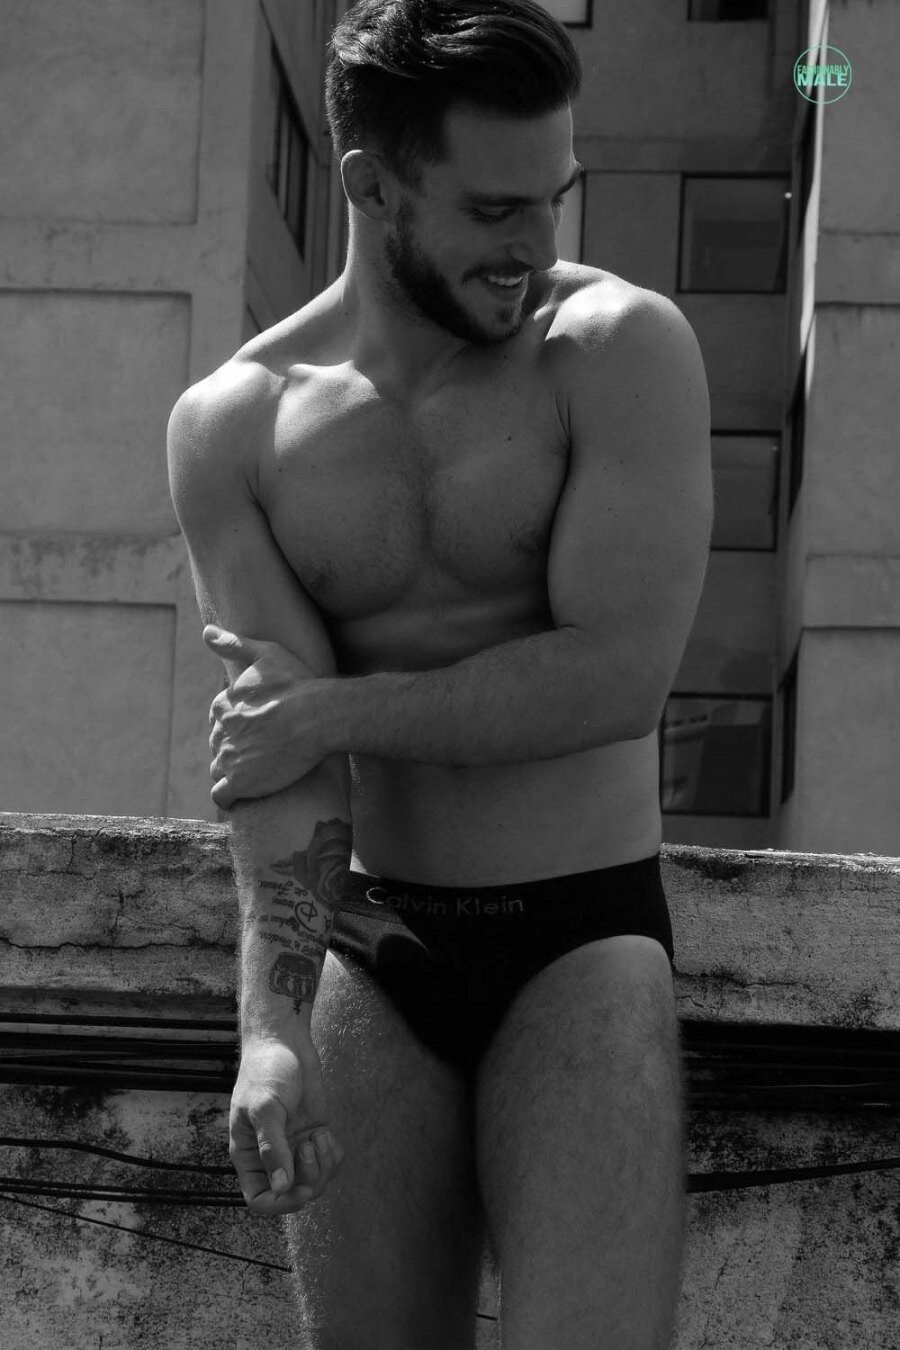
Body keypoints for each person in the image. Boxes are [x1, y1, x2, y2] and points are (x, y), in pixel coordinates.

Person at [166, 1, 713, 1345]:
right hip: (375, 942)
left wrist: (337, 710)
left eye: (553, 198)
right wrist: (272, 1029)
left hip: (582, 935)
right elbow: (279, 758)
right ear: (372, 187)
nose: (535, 244)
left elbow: (613, 678)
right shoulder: (236, 426)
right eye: (492, 208)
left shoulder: (620, 351)